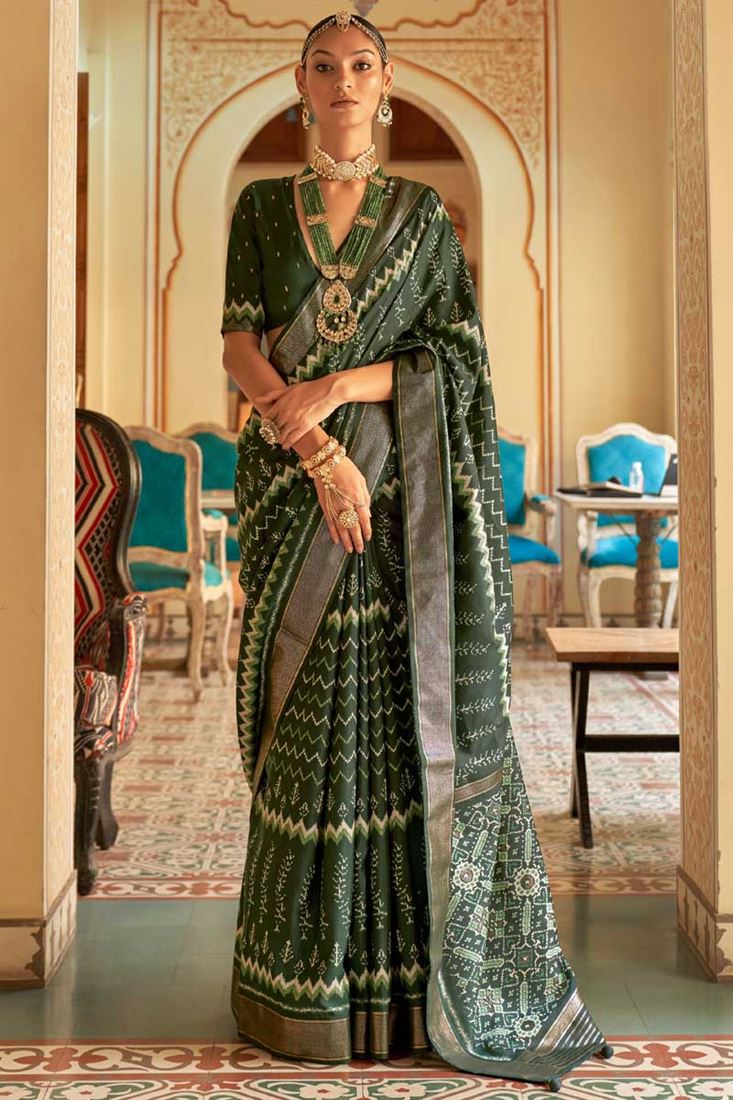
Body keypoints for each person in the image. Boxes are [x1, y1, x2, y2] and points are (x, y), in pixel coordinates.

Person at [220, 9, 613, 1090]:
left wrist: (338, 388)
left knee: (400, 732)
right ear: (301, 85)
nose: (342, 82)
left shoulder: (421, 216)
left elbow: (454, 361)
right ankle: (301, 993)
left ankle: (400, 993)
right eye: (323, 67)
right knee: (308, 729)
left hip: (404, 515)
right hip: (301, 499)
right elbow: (241, 344)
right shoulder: (261, 210)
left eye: (361, 66)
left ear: (384, 86)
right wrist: (319, 453)